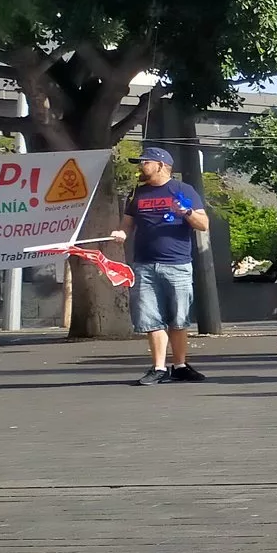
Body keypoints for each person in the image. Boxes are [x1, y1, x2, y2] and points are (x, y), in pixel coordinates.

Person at [121, 145, 210, 384]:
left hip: (177, 265)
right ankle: (159, 368)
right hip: (144, 265)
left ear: (161, 165)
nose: (141, 167)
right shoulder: (136, 193)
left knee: (179, 319)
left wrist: (187, 212)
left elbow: (203, 224)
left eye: (145, 162)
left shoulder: (183, 190)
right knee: (151, 319)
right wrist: (120, 233)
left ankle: (180, 366)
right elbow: (126, 225)